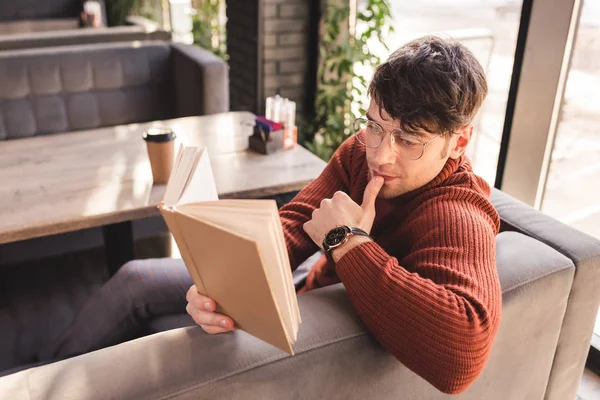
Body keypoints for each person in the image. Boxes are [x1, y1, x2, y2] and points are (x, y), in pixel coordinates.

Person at [39, 35, 501, 394]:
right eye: (375, 127)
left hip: (313, 326)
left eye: (408, 140)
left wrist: (347, 242)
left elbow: (461, 356)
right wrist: (222, 280)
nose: (381, 155)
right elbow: (294, 222)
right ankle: (37, 381)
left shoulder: (459, 213)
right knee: (133, 276)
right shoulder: (360, 155)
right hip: (300, 284)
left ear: (458, 142)